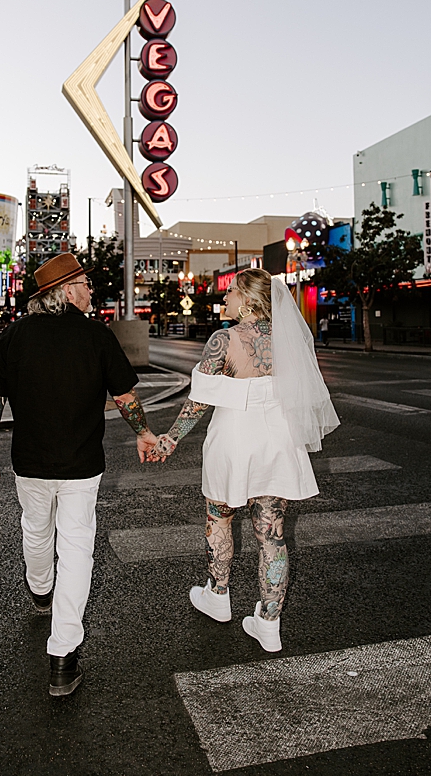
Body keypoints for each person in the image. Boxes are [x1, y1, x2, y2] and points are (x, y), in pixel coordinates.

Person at [0, 252, 164, 700]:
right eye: (85, 284)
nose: (91, 291)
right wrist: (144, 433)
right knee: (77, 551)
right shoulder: (97, 336)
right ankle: (62, 658)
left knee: (35, 529)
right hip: (81, 466)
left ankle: (40, 591)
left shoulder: (14, 335)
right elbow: (125, 397)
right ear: (66, 291)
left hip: (30, 463)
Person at [149, 266, 337, 653]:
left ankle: (218, 595)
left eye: (231, 291)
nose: (225, 297)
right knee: (272, 534)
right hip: (278, 440)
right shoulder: (288, 340)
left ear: (249, 301)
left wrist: (170, 439)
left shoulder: (223, 340)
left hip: (234, 440)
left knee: (220, 516)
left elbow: (199, 399)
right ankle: (269, 623)